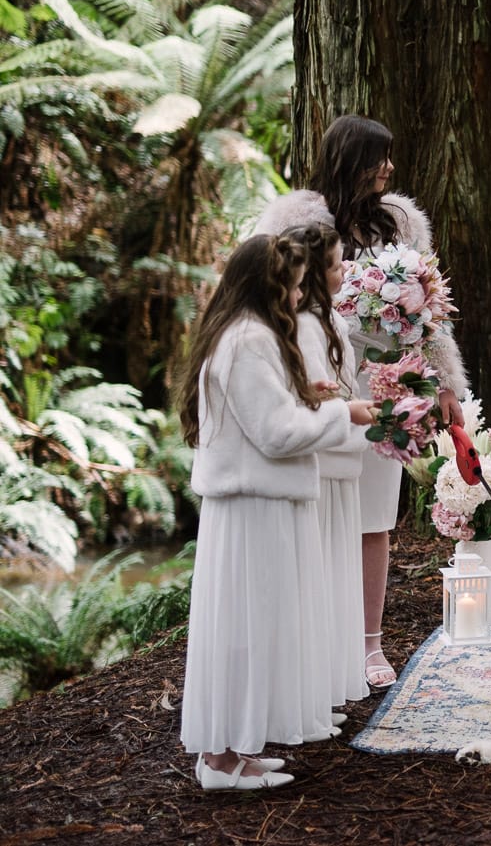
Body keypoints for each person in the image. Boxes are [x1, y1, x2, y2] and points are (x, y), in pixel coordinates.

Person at [254, 115, 468, 690]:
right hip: (320, 382)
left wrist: (444, 383)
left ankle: (368, 646)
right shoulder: (291, 223)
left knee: (374, 519)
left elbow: (433, 314)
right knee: (318, 513)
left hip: (385, 387)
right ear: (351, 159)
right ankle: (313, 640)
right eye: (380, 157)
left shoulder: (401, 225)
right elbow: (268, 301)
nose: (390, 169)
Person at [177, 234, 378, 790]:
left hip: (261, 505)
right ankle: (219, 761)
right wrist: (346, 416)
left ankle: (236, 750)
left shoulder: (248, 336)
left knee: (257, 626)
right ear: (266, 287)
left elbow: (270, 412)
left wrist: (310, 397)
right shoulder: (245, 342)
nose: (297, 296)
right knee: (245, 628)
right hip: (251, 510)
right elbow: (275, 433)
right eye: (290, 286)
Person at [283, 222, 369, 708]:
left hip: (343, 467)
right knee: (322, 577)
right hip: (323, 469)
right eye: (337, 264)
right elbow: (322, 397)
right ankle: (311, 693)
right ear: (315, 274)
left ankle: (333, 687)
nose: (346, 270)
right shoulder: (307, 327)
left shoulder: (332, 320)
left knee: (340, 578)